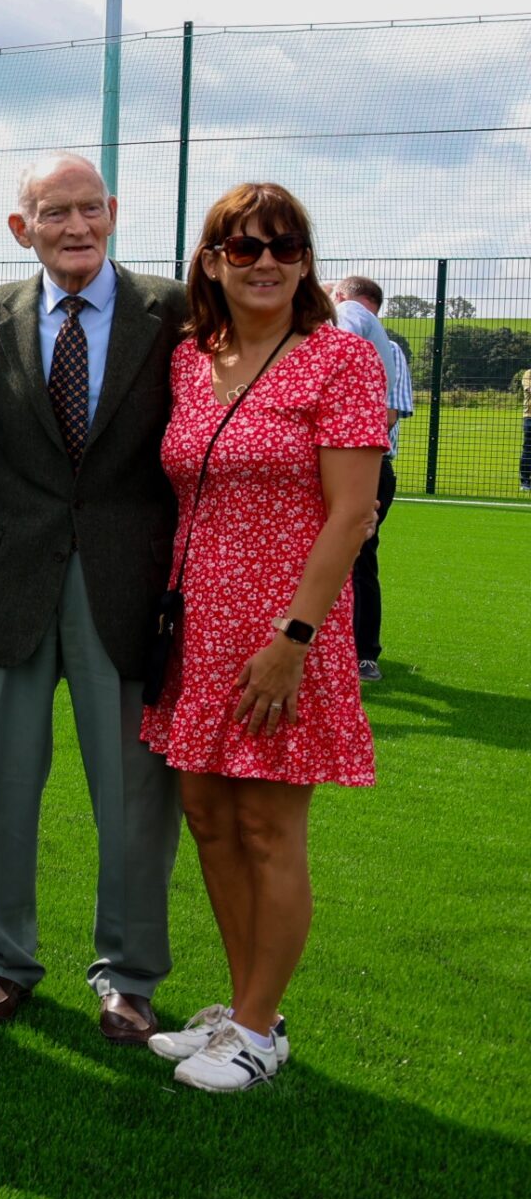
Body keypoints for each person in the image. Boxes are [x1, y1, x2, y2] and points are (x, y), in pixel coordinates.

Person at [141, 184, 384, 1091]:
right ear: (211, 262)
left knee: (268, 828)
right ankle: (252, 1013)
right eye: (243, 248)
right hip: (198, 624)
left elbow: (353, 514)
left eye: (285, 246)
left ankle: (251, 1030)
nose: (266, 262)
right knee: (210, 819)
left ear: (307, 260)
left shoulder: (338, 360)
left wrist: (294, 637)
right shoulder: (189, 358)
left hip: (287, 629)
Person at [0, 153, 186, 1043]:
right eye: (54, 212)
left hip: (128, 586)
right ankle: (1, 963)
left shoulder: (174, 312)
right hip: (8, 582)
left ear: (113, 212)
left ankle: (129, 978)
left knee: (135, 796)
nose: (76, 226)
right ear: (22, 229)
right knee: (0, 789)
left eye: (90, 208)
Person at [327, 276, 413, 683]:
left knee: (359, 558)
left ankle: (364, 654)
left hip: (369, 467)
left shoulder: (388, 350)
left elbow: (390, 415)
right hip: (327, 465)